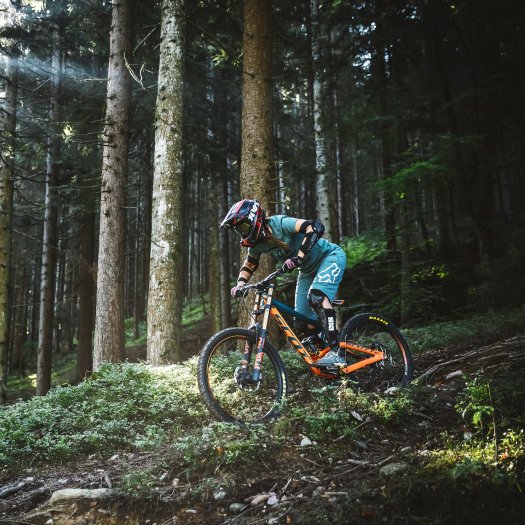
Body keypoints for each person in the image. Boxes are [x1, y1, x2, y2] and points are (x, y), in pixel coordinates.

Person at [220, 199, 347, 367]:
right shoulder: (256, 244)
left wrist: (299, 256)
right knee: (302, 322)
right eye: (238, 230)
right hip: (307, 271)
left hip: (329, 257)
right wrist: (240, 284)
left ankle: (337, 352)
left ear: (253, 219)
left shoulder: (279, 223)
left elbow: (315, 227)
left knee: (316, 296)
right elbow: (250, 263)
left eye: (242, 227)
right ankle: (325, 354)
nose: (241, 232)